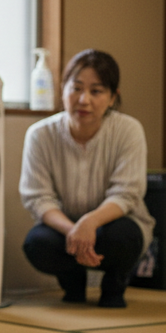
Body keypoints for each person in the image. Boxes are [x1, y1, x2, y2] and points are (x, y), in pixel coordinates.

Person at [18, 49, 154, 308]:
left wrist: (91, 223)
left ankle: (115, 284)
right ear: (62, 89)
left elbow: (126, 193)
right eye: (76, 88)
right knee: (37, 243)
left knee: (123, 237)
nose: (84, 100)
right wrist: (75, 231)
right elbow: (38, 198)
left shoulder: (129, 130)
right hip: (64, 228)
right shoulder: (40, 135)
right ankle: (72, 281)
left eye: (97, 91)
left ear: (113, 97)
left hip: (114, 224)